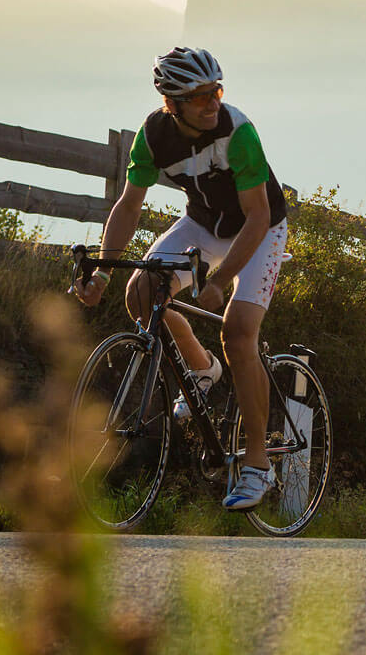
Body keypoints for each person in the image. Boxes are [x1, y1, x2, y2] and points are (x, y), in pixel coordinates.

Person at [74, 46, 290, 511]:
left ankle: (257, 466)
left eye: (216, 91)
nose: (213, 103)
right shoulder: (153, 137)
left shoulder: (239, 132)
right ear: (172, 104)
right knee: (142, 294)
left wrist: (220, 282)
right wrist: (105, 272)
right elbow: (129, 205)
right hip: (203, 225)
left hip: (261, 229)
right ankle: (201, 367)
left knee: (238, 332)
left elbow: (257, 217)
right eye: (199, 97)